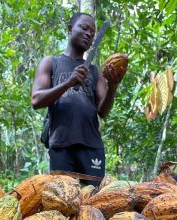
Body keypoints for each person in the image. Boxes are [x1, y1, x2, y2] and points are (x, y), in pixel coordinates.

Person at [31, 12, 125, 186]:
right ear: (69, 29)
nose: (89, 33)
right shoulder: (51, 62)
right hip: (61, 145)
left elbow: (103, 112)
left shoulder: (95, 71)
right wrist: (68, 83)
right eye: (84, 27)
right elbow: (36, 100)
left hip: (91, 146)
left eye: (93, 31)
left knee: (93, 199)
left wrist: (113, 86)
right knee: (63, 199)